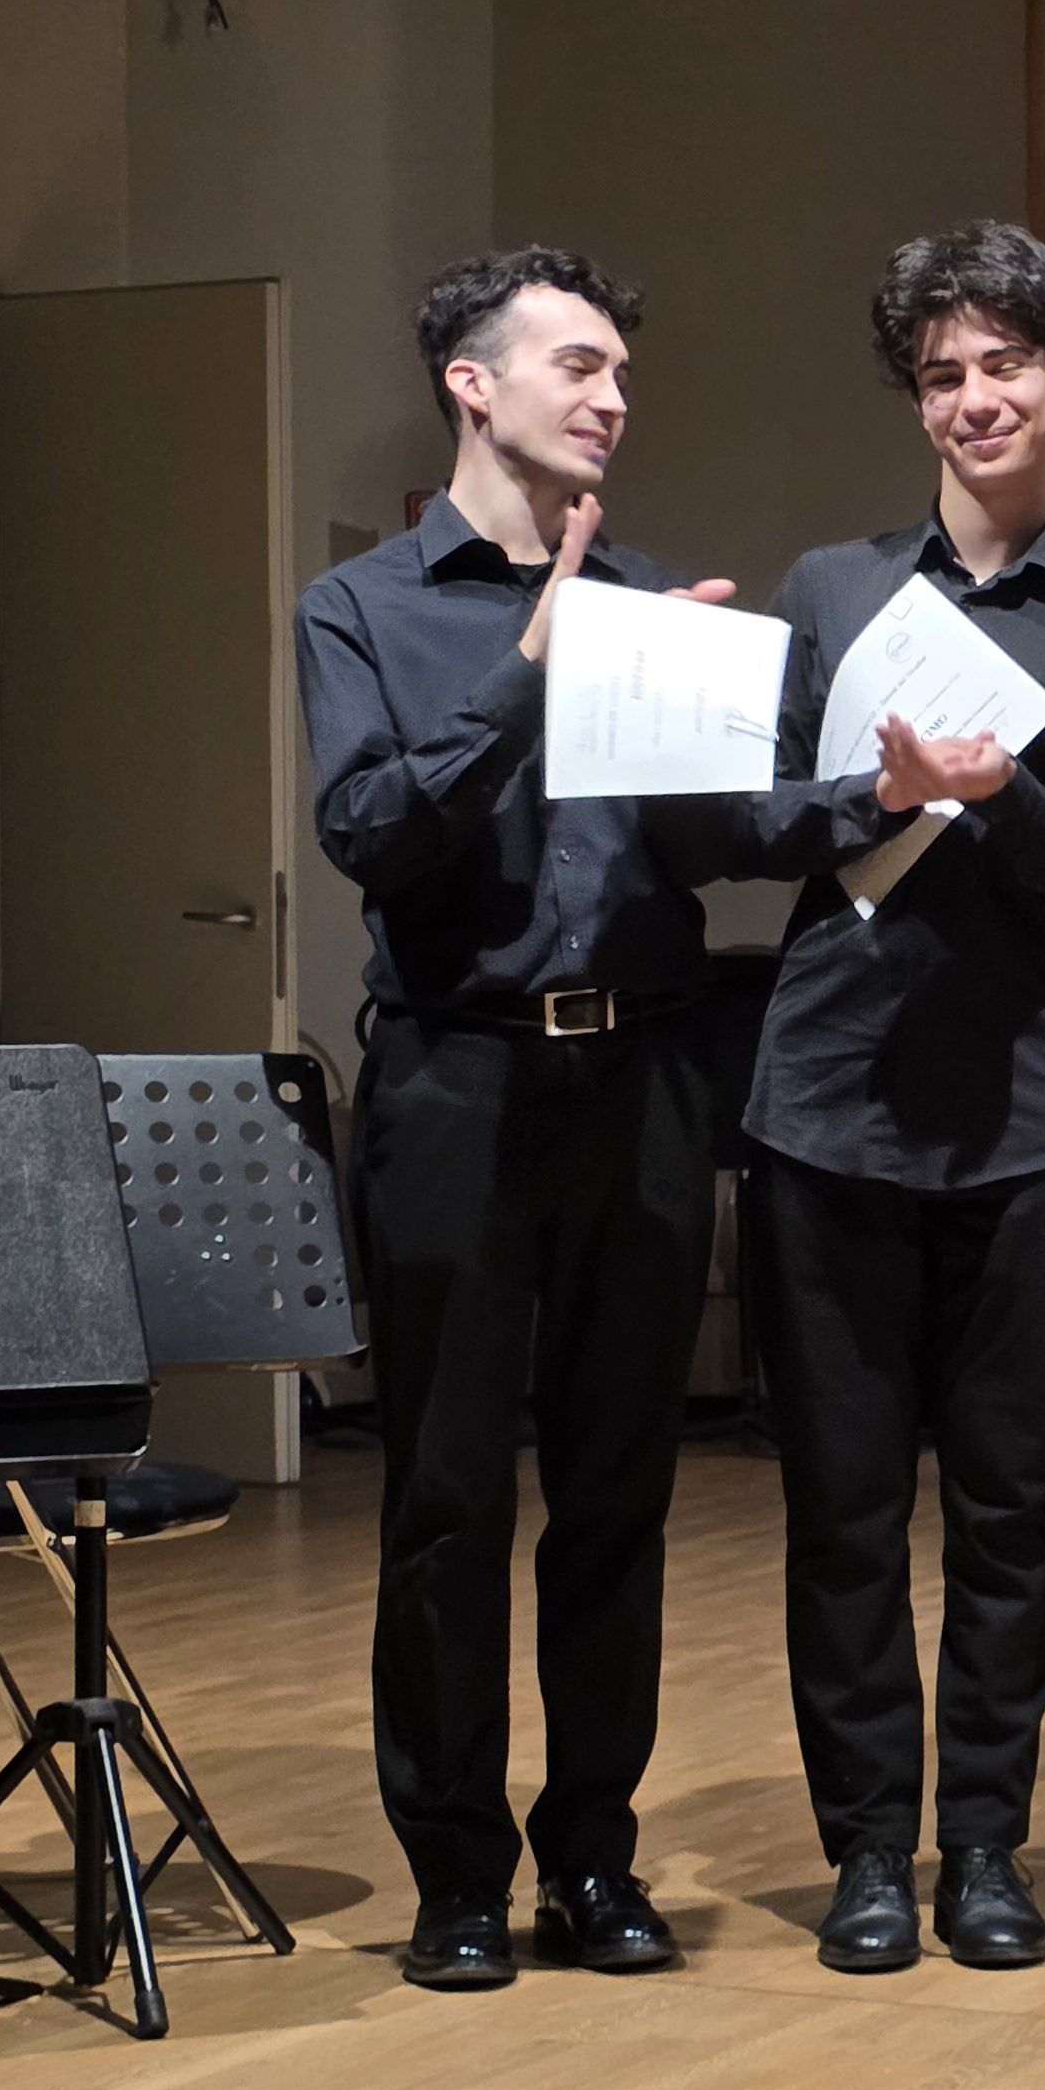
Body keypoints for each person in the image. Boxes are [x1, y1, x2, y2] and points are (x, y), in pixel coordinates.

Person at [730, 224, 1045, 1976]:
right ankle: (867, 1850)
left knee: (1012, 1508)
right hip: (826, 1101)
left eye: (1005, 365)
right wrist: (877, 791)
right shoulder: (832, 589)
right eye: (943, 374)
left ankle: (985, 1845)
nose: (975, 398)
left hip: (1031, 1120)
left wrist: (1005, 801)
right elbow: (750, 820)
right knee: (843, 1508)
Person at [295, 247, 738, 1991]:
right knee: (449, 1495)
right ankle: (457, 1877)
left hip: (641, 1071)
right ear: (471, 385)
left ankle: (597, 1861)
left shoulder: (652, 599)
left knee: (621, 1492)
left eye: (621, 370)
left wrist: (851, 773)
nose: (613, 397)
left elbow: (719, 840)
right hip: (455, 1078)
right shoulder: (362, 608)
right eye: (578, 365)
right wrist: (533, 667)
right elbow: (369, 834)